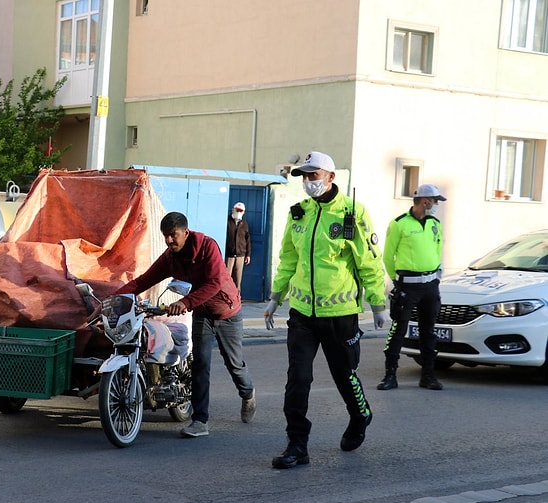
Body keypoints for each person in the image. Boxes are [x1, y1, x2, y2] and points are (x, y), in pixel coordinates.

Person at [264, 151, 388, 469]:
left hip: (341, 315)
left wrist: (377, 305)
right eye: (304, 176)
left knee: (345, 375)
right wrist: (276, 297)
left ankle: (360, 415)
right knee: (298, 379)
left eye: (313, 175)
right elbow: (288, 259)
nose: (308, 182)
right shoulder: (298, 213)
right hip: (302, 314)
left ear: (330, 177)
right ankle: (297, 445)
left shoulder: (353, 214)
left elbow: (369, 262)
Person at [115, 211, 256, 438]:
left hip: (227, 312)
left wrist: (185, 302)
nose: (169, 241)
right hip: (202, 313)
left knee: (234, 364)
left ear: (185, 232)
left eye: (173, 235)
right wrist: (113, 299)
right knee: (200, 364)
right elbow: (143, 280)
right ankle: (200, 421)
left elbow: (215, 283)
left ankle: (248, 394)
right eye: (166, 236)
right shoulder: (171, 257)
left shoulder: (208, 247)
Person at [378, 184, 446, 391]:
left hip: (430, 286)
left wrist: (437, 275)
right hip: (408, 285)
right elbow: (388, 256)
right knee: (398, 330)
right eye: (435, 201)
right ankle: (390, 375)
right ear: (425, 202)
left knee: (429, 332)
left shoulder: (435, 223)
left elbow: (437, 248)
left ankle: (428, 376)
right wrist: (395, 281)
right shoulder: (399, 224)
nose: (436, 205)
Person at [225, 202, 251, 292]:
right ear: (233, 209)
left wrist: (248, 254)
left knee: (238, 279)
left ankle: (237, 298)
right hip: (229, 255)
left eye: (241, 211)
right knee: (226, 278)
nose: (238, 212)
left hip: (240, 255)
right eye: (237, 210)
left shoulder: (244, 223)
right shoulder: (227, 221)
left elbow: (247, 239)